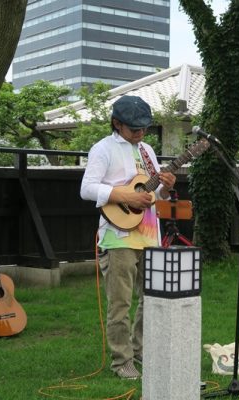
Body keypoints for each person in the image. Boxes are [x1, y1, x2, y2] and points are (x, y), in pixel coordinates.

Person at [80, 95, 176, 379]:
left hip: (149, 235)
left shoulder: (147, 150)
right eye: (134, 128)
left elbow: (154, 194)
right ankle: (121, 360)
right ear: (116, 123)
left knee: (152, 299)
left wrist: (167, 188)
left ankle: (141, 350)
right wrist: (123, 195)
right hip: (118, 237)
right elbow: (86, 189)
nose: (140, 133)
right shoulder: (103, 149)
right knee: (120, 304)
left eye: (144, 128)